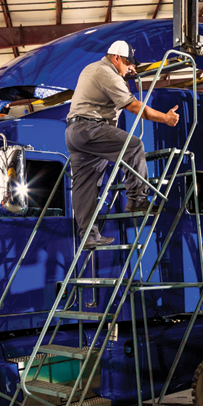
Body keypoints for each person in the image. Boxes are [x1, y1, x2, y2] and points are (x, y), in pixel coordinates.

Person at [65, 40, 180, 249]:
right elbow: (135, 107)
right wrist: (165, 118)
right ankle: (137, 199)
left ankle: (88, 236)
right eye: (129, 64)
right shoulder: (107, 73)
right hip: (90, 129)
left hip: (75, 133)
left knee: (85, 186)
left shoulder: (92, 69)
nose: (131, 69)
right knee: (133, 145)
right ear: (116, 58)